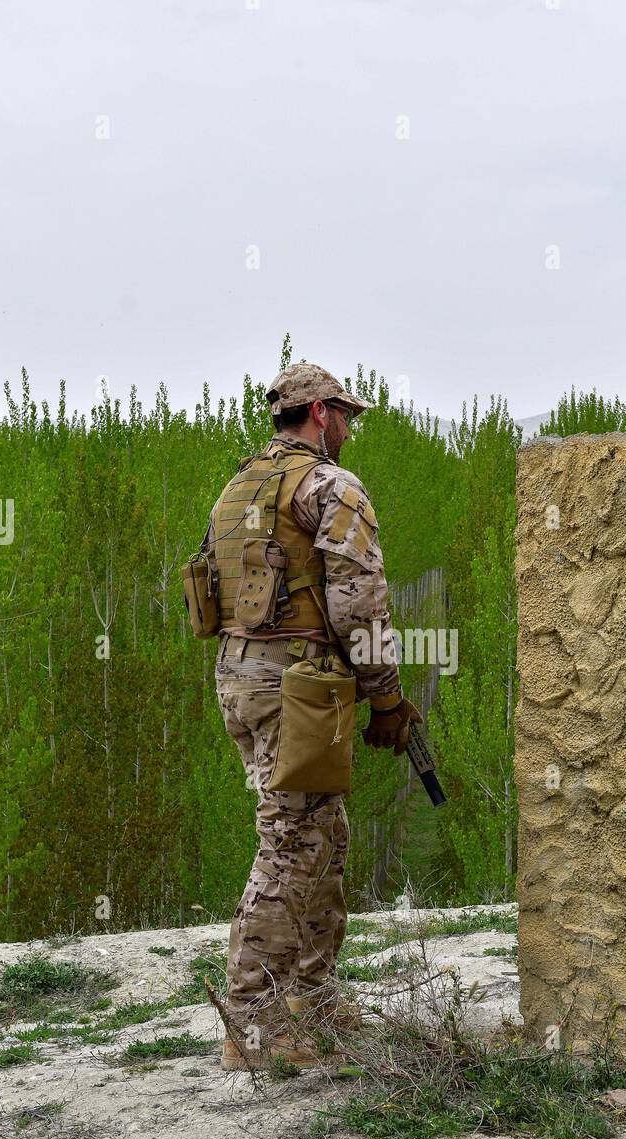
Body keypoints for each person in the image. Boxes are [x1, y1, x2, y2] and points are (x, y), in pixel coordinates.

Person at [204, 362, 421, 1070]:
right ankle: (255, 1024)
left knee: (322, 828)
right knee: (293, 840)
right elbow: (359, 603)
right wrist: (386, 697)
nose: (351, 431)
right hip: (297, 683)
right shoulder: (331, 485)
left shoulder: (239, 484)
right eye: (348, 418)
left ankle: (312, 995)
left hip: (243, 676)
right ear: (321, 413)